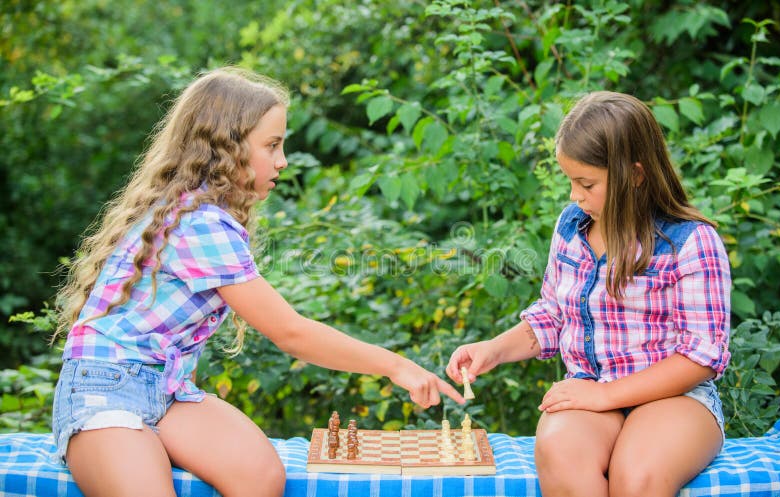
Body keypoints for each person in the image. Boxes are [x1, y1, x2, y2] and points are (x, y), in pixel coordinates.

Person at [51, 67, 465, 497]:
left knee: (261, 477)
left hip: (166, 390)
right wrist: (396, 366)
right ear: (226, 148)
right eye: (272, 146)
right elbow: (291, 332)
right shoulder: (199, 224)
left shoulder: (202, 215)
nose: (282, 161)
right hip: (105, 390)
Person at [447, 91, 730, 497]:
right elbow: (554, 315)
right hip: (590, 386)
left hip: (676, 399)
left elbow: (700, 358)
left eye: (586, 183)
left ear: (635, 175)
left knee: (638, 476)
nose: (574, 196)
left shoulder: (690, 243)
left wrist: (606, 395)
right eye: (570, 181)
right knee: (561, 453)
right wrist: (494, 349)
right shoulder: (573, 227)